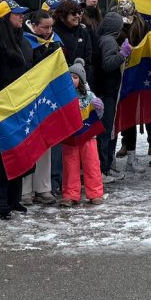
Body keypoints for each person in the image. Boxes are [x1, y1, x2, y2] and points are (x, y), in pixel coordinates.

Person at [0, 0, 34, 219]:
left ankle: (14, 198)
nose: (21, 17)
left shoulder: (25, 43)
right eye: (17, 14)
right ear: (4, 18)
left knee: (19, 153)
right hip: (0, 108)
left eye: (22, 13)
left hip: (20, 107)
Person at [20, 10, 62, 206]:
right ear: (34, 25)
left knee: (47, 141)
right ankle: (25, 189)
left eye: (51, 27)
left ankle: (43, 187)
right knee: (29, 142)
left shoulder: (55, 41)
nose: (48, 31)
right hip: (29, 97)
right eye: (45, 27)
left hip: (48, 97)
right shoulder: (25, 40)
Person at [113, 0, 151, 168]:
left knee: (130, 114)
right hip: (115, 74)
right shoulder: (113, 23)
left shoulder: (140, 24)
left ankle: (132, 154)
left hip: (134, 73)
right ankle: (110, 159)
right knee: (114, 117)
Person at [59, 59, 106, 207]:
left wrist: (99, 108)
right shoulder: (64, 96)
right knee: (70, 166)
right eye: (70, 76)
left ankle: (95, 193)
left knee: (92, 164)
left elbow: (98, 116)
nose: (72, 80)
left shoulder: (90, 96)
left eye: (75, 77)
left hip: (88, 135)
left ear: (81, 80)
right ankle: (70, 194)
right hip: (70, 137)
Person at [96, 11, 131, 183]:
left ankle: (107, 166)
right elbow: (108, 64)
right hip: (107, 92)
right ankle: (104, 169)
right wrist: (122, 55)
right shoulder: (109, 41)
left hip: (105, 91)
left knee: (107, 131)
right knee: (106, 132)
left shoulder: (102, 39)